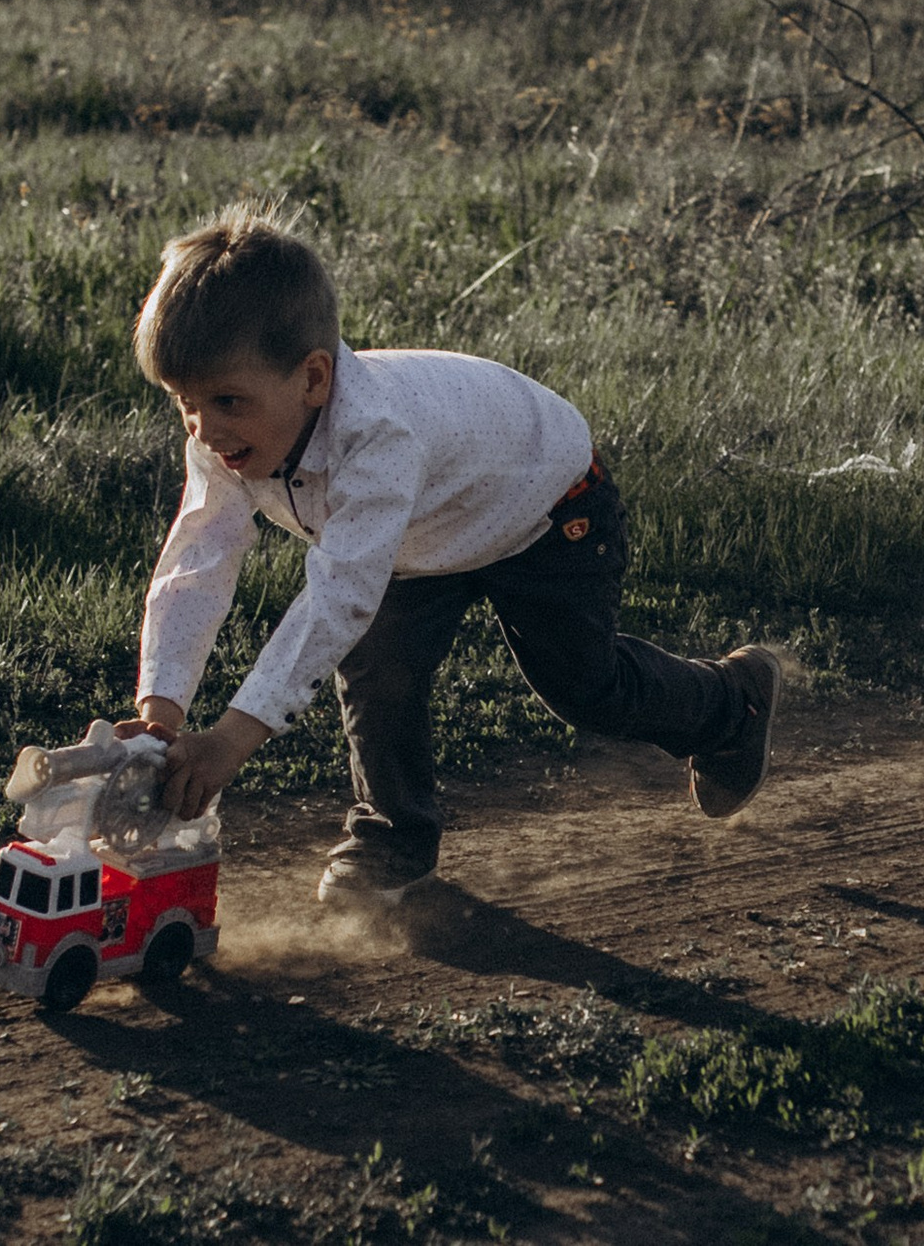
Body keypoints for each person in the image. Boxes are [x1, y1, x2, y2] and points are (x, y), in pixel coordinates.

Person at [118, 202, 790, 909]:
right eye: (183, 402)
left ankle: (730, 702)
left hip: (544, 504)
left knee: (584, 685)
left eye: (226, 400)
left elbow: (337, 594)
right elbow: (198, 558)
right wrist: (161, 712)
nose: (203, 427)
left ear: (313, 379)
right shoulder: (223, 439)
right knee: (381, 673)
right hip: (423, 534)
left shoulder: (376, 435)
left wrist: (229, 739)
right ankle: (393, 838)